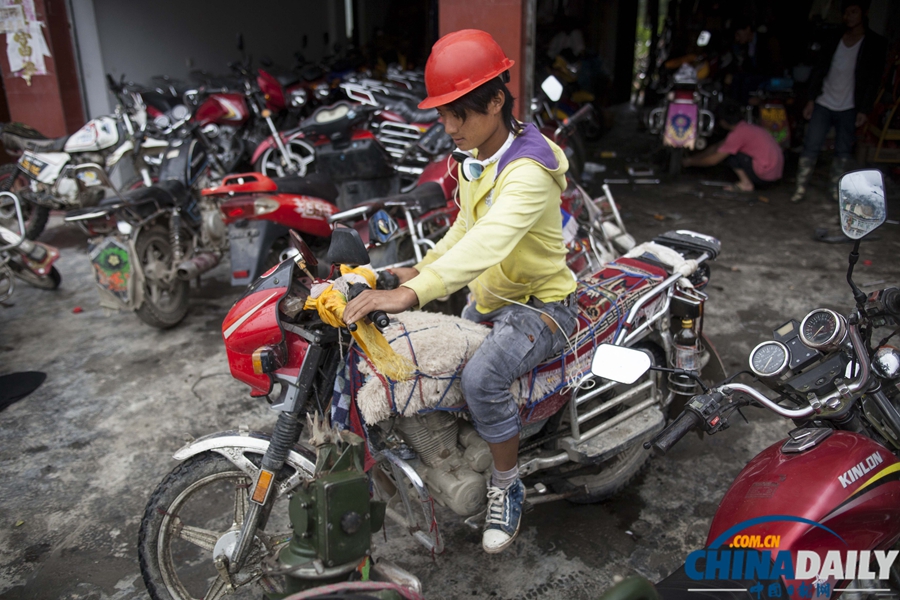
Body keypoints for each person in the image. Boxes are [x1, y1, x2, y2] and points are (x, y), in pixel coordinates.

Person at [342, 29, 578, 554]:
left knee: (482, 376)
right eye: (443, 114)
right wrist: (415, 270)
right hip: (490, 301)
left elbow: (491, 241)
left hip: (541, 309)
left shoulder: (529, 168)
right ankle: (456, 453)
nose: (448, 127)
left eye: (458, 113)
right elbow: (466, 228)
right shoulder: (477, 157)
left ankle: (506, 483)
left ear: (495, 101)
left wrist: (414, 293)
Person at [792, 0, 887, 202]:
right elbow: (819, 70)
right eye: (846, 13)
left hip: (850, 105)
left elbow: (873, 81)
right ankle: (800, 188)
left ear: (864, 13)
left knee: (843, 151)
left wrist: (864, 109)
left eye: (854, 12)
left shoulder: (873, 43)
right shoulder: (834, 37)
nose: (849, 17)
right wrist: (811, 99)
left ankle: (836, 191)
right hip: (824, 101)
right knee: (811, 145)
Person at [683, 101, 784, 191]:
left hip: (764, 176)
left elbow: (713, 160)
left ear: (722, 122)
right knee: (729, 150)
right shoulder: (747, 128)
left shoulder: (737, 135)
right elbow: (717, 147)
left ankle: (746, 184)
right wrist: (693, 158)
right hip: (774, 175)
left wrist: (691, 162)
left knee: (732, 156)